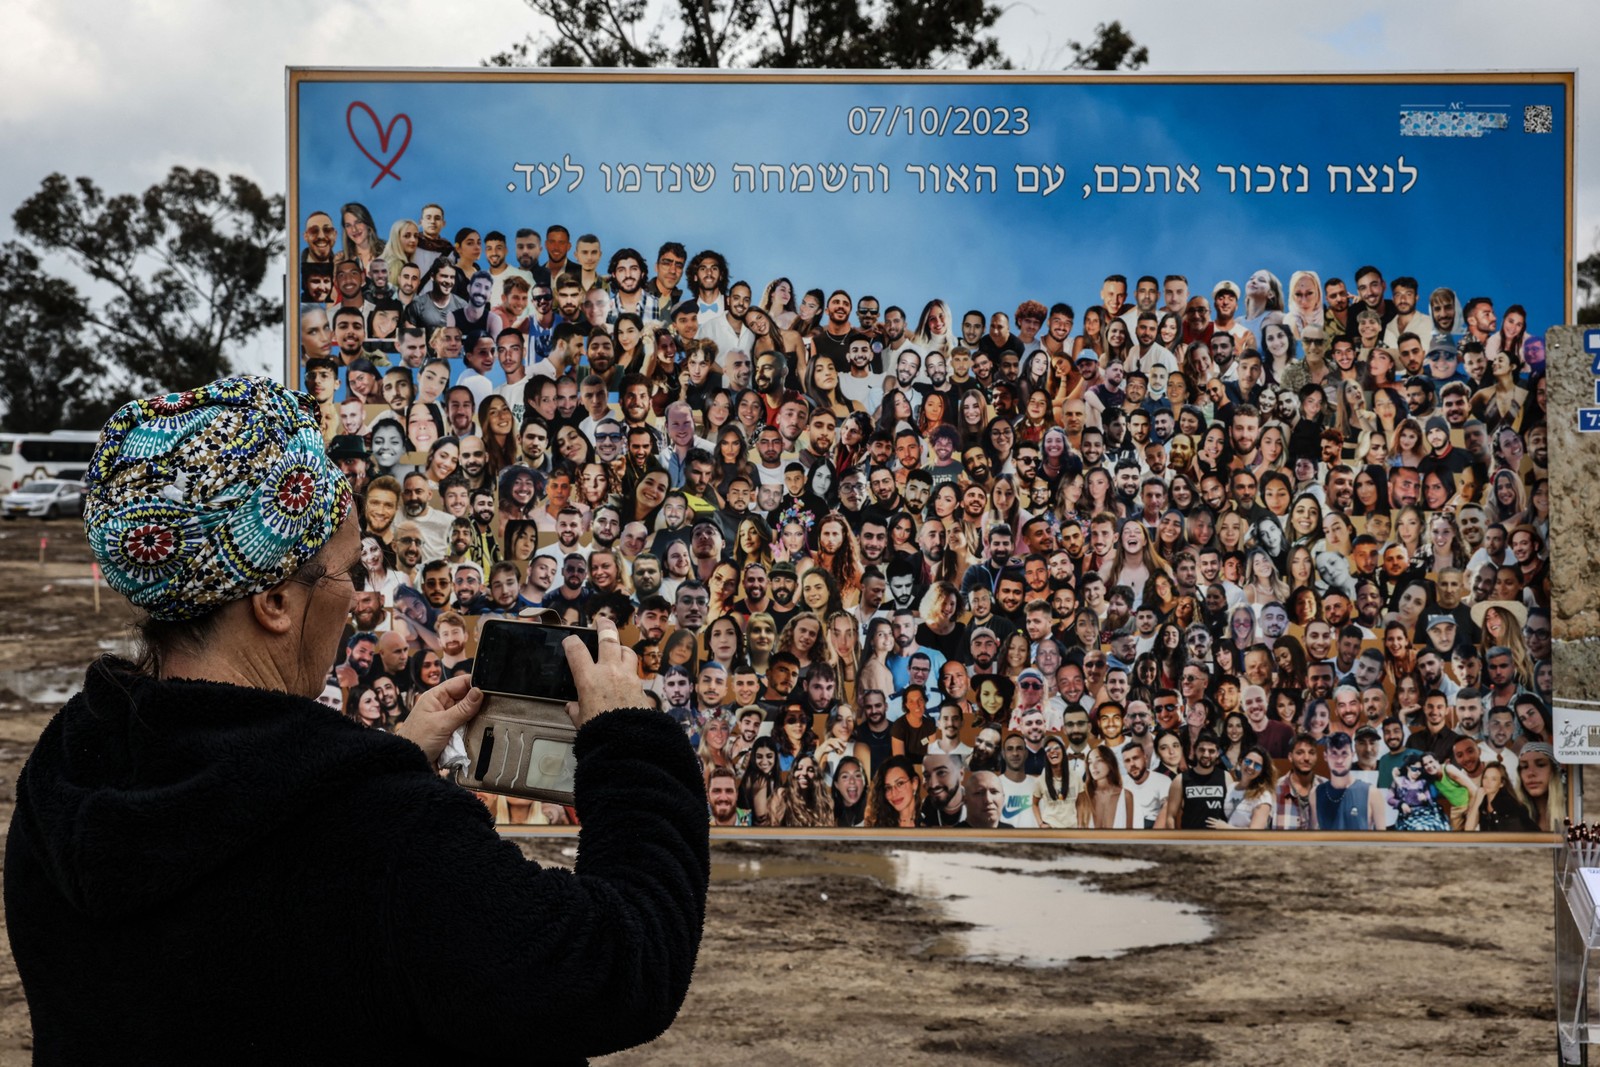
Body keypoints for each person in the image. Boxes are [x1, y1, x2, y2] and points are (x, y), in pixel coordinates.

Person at [8, 376, 710, 1061]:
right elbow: (618, 966)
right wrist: (633, 746)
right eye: (347, 570)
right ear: (275, 602)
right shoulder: (389, 836)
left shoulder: (68, 769)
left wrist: (383, 763)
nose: (359, 596)